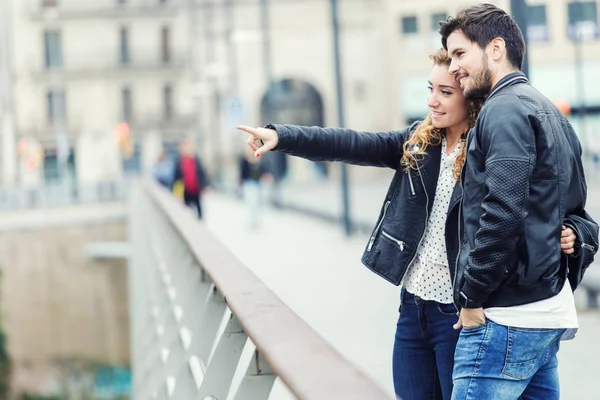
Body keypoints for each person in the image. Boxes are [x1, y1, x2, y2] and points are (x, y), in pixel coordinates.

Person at [237, 48, 579, 400]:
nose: (432, 101)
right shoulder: (420, 142)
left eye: (445, 92)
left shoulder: (490, 149)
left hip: (460, 315)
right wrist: (282, 137)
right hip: (413, 311)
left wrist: (570, 235)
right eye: (430, 89)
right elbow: (355, 143)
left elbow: (523, 211)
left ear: (472, 98)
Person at [439, 4, 595, 399]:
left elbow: (503, 211)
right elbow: (577, 214)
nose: (454, 66)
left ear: (495, 49)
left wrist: (470, 297)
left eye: (460, 54)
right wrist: (572, 236)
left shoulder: (503, 109)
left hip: (504, 319)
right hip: (544, 315)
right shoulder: (549, 111)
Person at [173, 139, 210, 219]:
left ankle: (200, 223)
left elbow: (202, 173)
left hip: (196, 188)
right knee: (186, 209)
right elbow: (176, 177)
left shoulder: (195, 160)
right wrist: (175, 190)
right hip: (185, 190)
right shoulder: (179, 161)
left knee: (199, 209)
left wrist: (205, 186)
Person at [238, 145, 271, 230]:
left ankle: (257, 220)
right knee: (251, 202)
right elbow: (242, 173)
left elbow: (264, 170)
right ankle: (252, 221)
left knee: (258, 203)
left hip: (258, 184)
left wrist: (266, 177)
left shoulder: (260, 159)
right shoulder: (244, 160)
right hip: (249, 184)